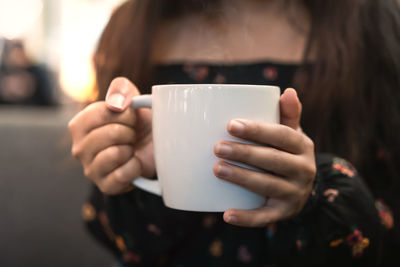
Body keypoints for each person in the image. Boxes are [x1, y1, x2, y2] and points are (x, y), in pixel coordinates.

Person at [68, 0, 400, 266]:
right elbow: (122, 240)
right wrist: (118, 159)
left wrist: (314, 196)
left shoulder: (375, 21)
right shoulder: (133, 27)